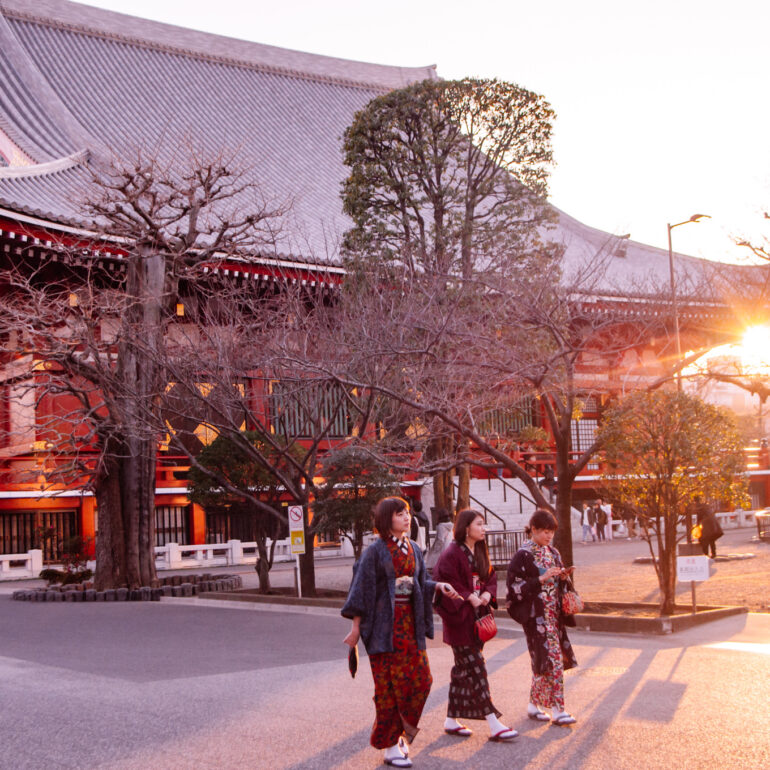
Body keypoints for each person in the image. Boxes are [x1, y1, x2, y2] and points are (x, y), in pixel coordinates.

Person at [342, 497, 460, 768]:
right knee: (388, 690)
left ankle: (402, 732)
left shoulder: (414, 548)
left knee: (422, 681)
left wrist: (438, 585)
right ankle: (390, 743)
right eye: (399, 514)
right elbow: (360, 590)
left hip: (410, 624)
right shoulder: (375, 551)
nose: (406, 517)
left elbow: (420, 582)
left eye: (407, 513)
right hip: (383, 628)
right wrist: (356, 629)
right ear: (387, 519)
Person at [432, 509, 518, 742]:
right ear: (466, 527)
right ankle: (493, 721)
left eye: (484, 524)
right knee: (476, 668)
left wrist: (489, 595)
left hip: (478, 616)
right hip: (460, 620)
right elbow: (445, 580)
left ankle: (451, 719)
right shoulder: (451, 553)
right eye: (479, 524)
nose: (483, 528)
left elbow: (489, 577)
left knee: (463, 670)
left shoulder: (480, 548)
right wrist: (468, 595)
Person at [506, 509, 578, 726]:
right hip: (535, 617)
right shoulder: (523, 555)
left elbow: (558, 583)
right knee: (552, 660)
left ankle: (533, 705)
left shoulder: (553, 552)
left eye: (551, 532)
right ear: (534, 530)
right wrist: (541, 579)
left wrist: (564, 577)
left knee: (543, 661)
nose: (548, 536)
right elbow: (514, 588)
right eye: (545, 531)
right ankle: (558, 710)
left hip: (553, 615)